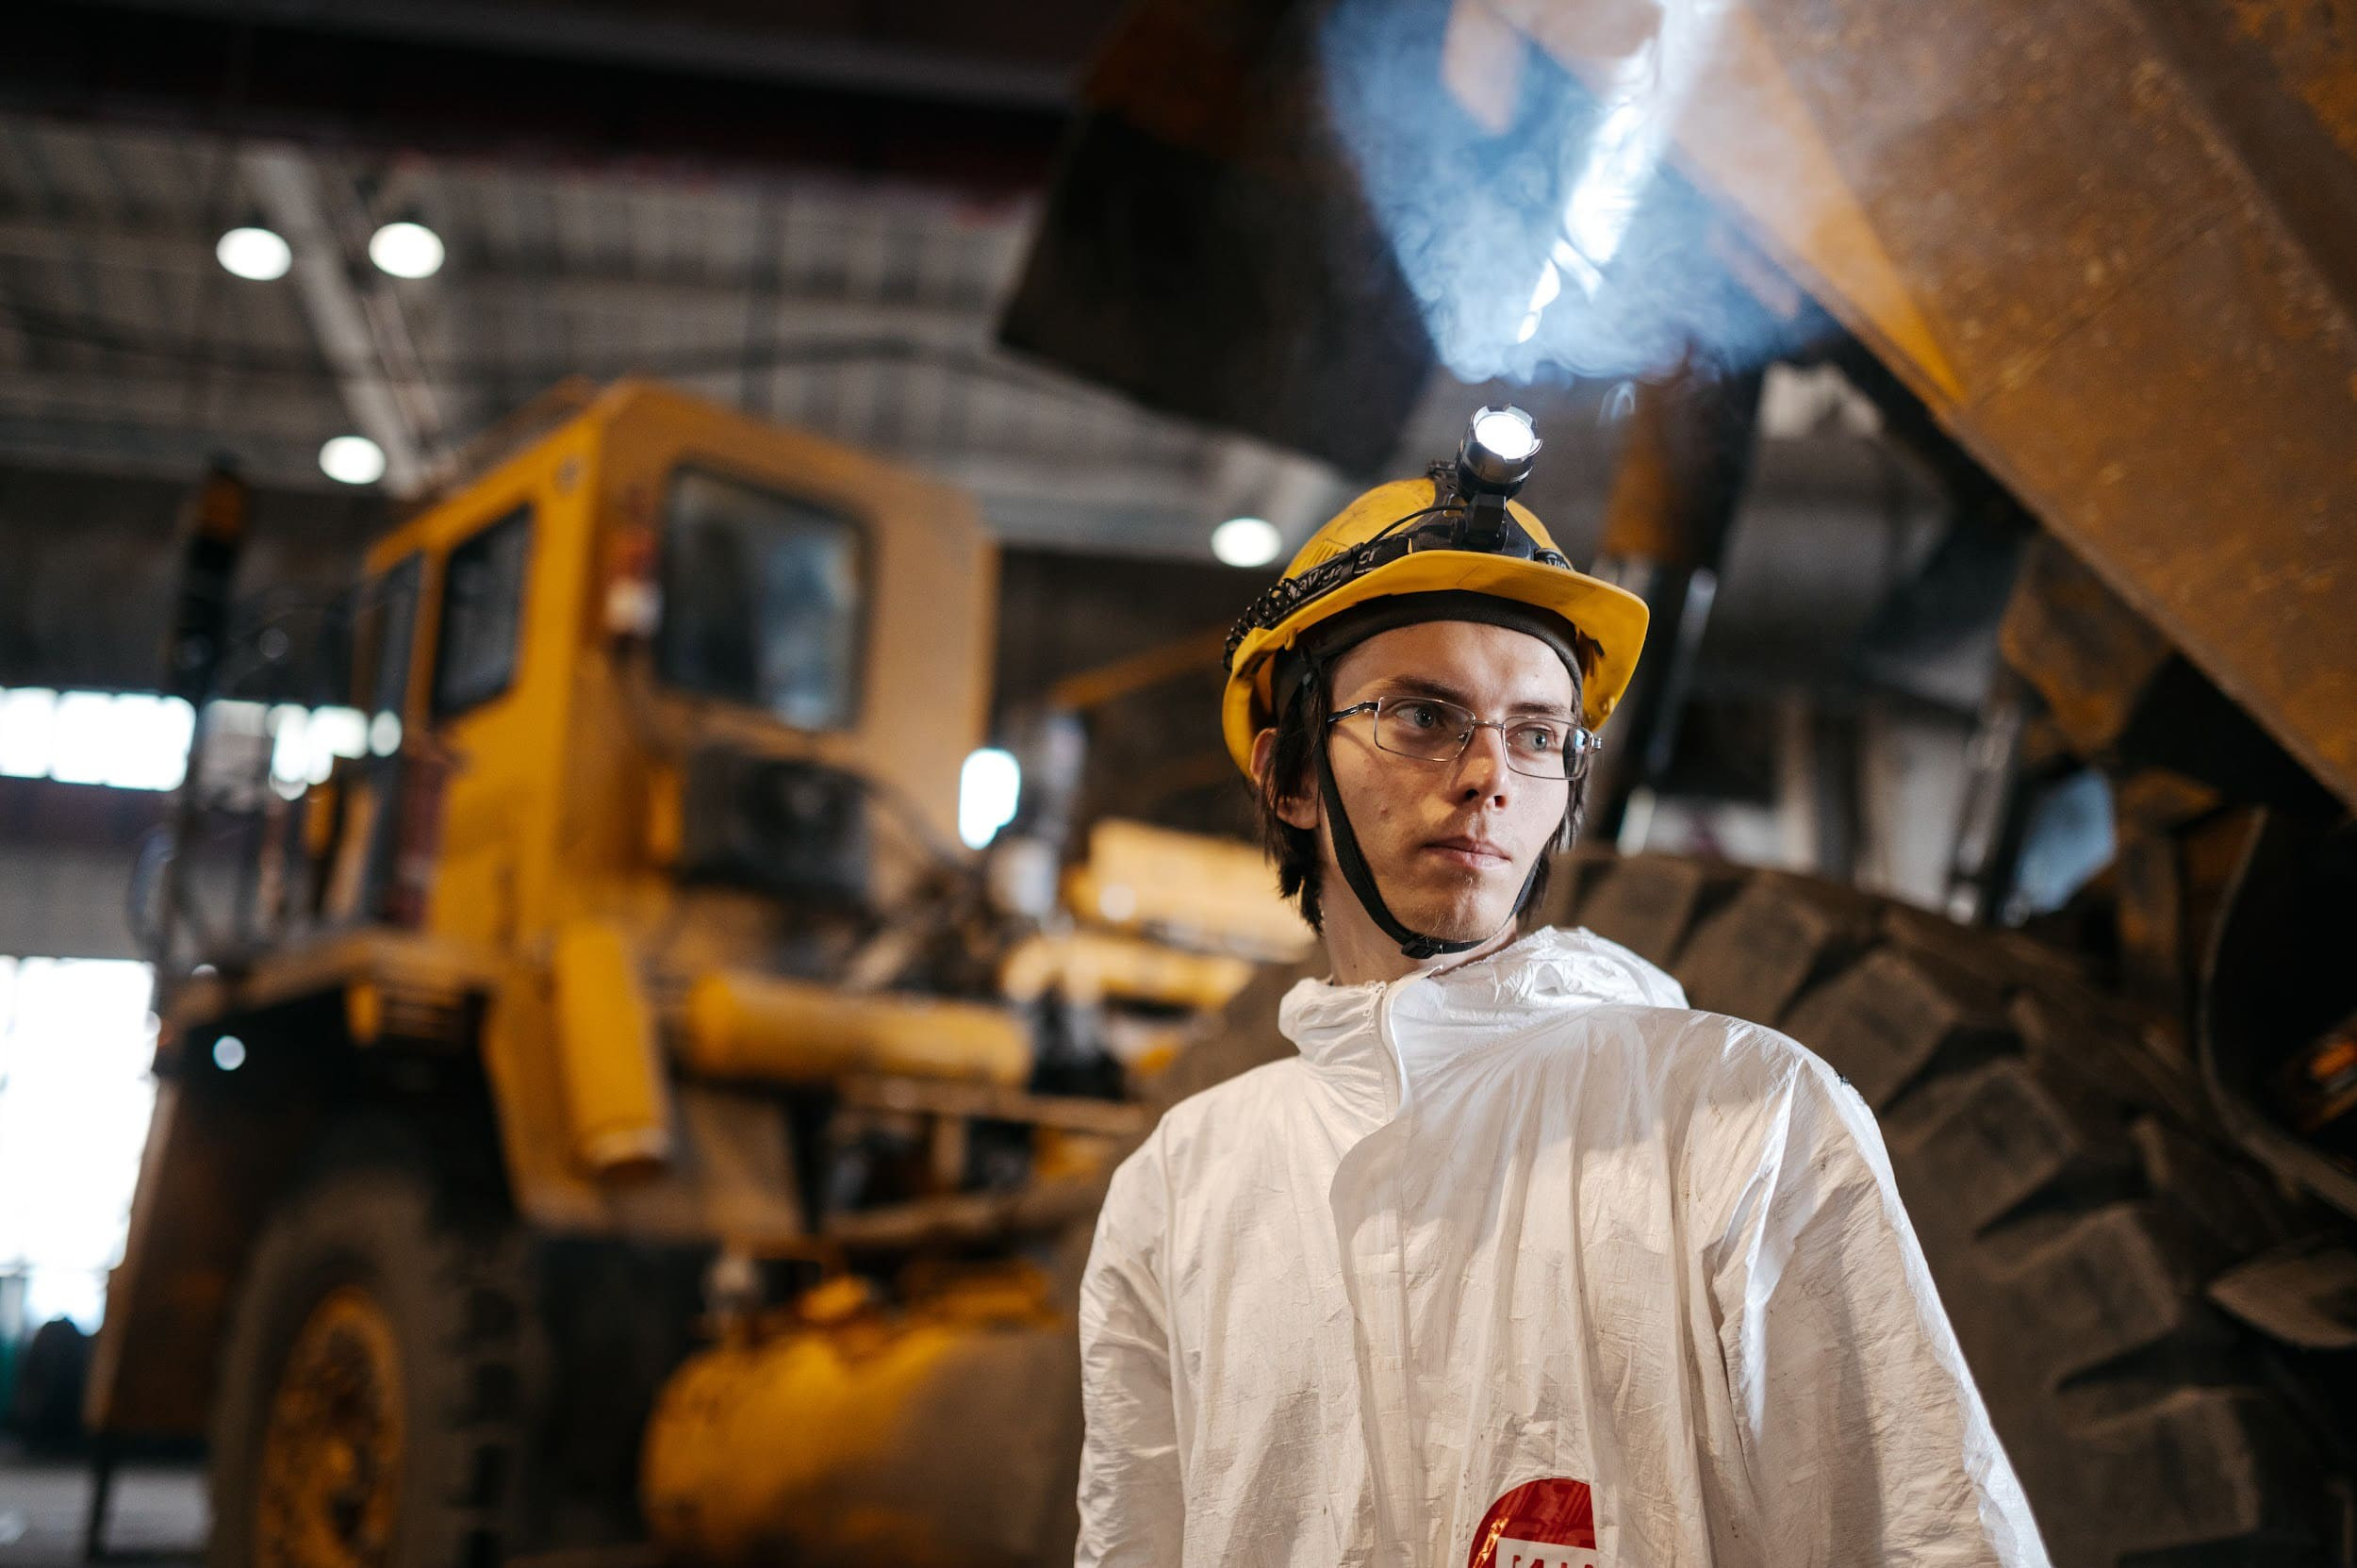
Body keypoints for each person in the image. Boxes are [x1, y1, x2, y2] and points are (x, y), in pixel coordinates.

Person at [1074, 409, 2048, 1567]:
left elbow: (1929, 1537)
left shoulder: (1743, 1119)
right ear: (1288, 775)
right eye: (1422, 717)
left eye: (1538, 734)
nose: (1489, 776)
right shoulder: (1183, 1186)